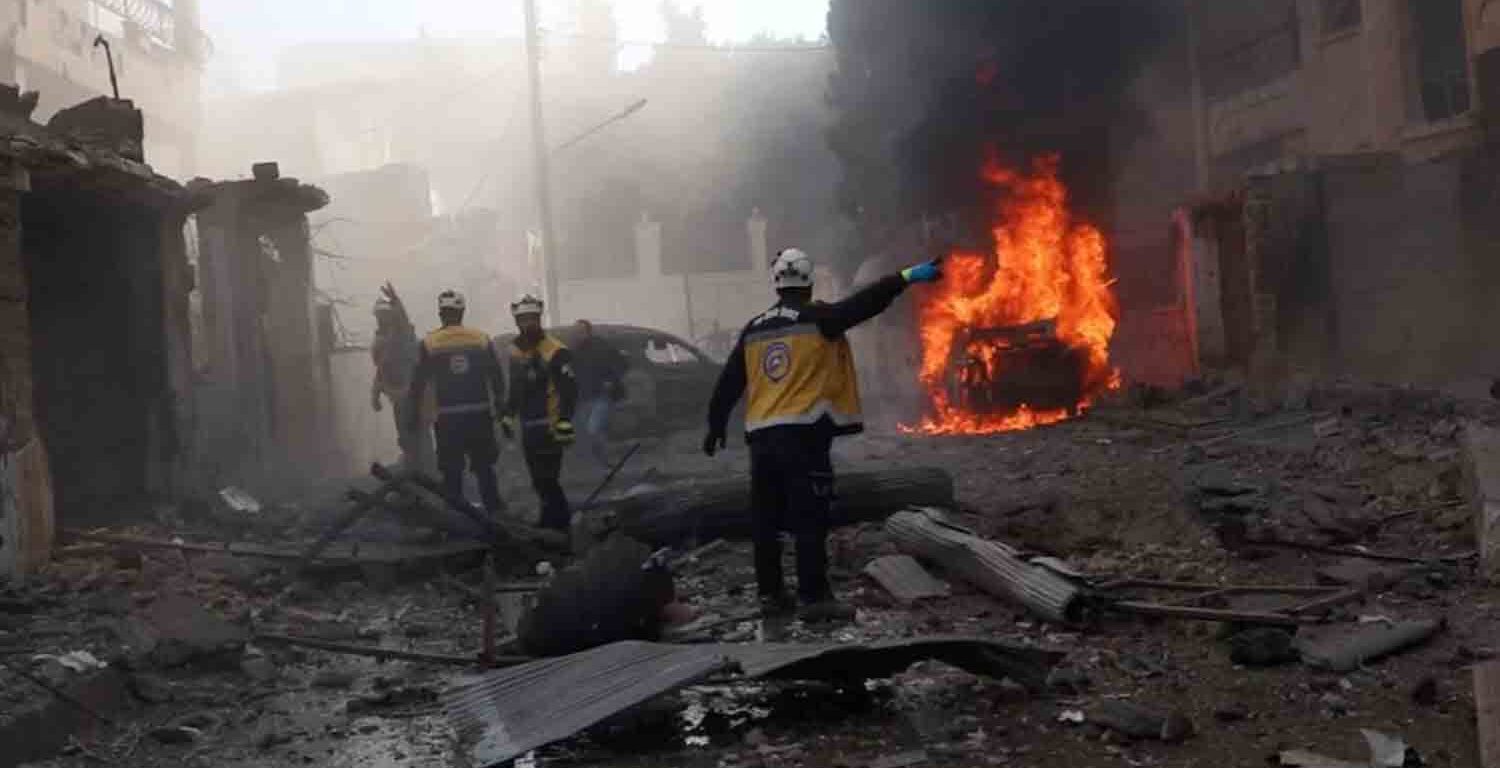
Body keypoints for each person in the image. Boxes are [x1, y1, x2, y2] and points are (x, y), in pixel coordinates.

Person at [703, 247, 943, 623]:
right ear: (809, 282)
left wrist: (715, 425)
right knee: (808, 516)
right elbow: (866, 303)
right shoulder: (819, 317)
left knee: (765, 521)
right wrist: (908, 276)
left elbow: (729, 381)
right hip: (803, 437)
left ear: (777, 283)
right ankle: (815, 598)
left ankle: (771, 596)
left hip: (762, 439)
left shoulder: (754, 328)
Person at [405, 289, 507, 513]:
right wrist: (500, 405)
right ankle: (495, 511)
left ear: (441, 314)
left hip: (449, 418)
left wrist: (412, 415)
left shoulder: (430, 343)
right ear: (462, 312)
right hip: (479, 416)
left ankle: (455, 514)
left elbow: (417, 383)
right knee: (484, 467)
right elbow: (496, 375)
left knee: (451, 470)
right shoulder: (481, 339)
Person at [499, 295, 578, 532]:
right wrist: (507, 415)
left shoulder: (556, 351)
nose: (527, 325)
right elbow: (515, 388)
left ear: (538, 319)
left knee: (549, 479)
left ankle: (561, 525)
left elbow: (570, 390)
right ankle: (549, 520)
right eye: (522, 320)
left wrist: (565, 421)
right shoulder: (516, 351)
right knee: (537, 480)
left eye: (531, 320)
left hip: (551, 426)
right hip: (529, 426)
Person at [370, 282, 433, 474]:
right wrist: (375, 394)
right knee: (406, 437)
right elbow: (381, 368)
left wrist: (396, 301)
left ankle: (428, 471)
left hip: (415, 393)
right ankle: (415, 471)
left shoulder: (402, 334)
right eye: (379, 316)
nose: (381, 320)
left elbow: (403, 321)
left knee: (420, 434)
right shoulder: (380, 341)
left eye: (385, 316)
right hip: (398, 396)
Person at [571, 319, 628, 470]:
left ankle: (604, 463)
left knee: (593, 429)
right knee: (592, 433)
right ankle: (601, 464)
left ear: (589, 332)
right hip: (582, 399)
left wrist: (611, 380)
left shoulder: (602, 346)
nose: (577, 334)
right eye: (576, 331)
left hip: (601, 396)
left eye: (581, 331)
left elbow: (621, 364)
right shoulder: (573, 350)